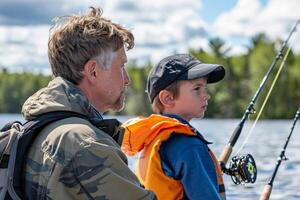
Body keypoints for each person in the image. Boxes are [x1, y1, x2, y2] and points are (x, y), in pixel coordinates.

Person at [21, 7, 156, 200]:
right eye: (122, 66)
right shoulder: (85, 144)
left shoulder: (41, 127)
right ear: (93, 71)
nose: (127, 79)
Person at [122, 54, 226, 200]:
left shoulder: (152, 140)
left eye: (204, 88)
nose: (206, 95)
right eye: (197, 89)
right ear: (167, 98)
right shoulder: (189, 145)